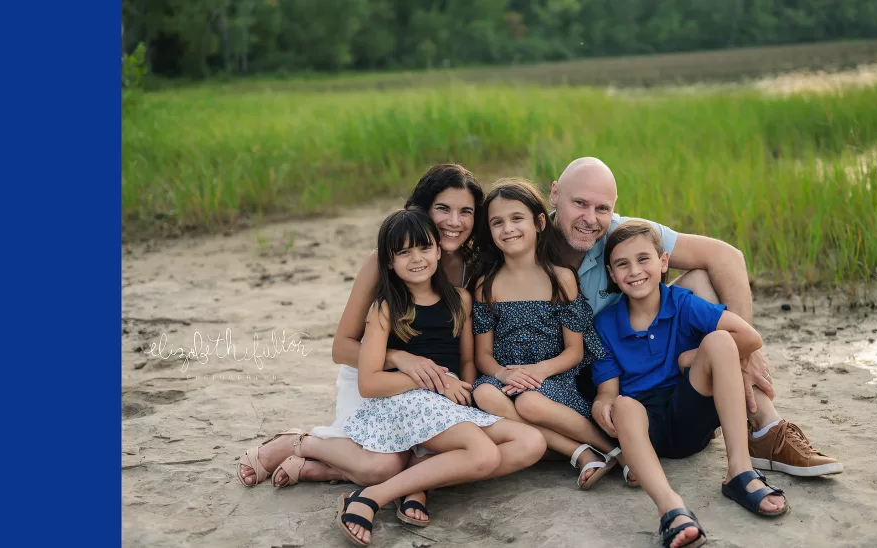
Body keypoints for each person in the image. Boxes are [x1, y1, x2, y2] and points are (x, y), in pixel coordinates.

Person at [238, 165, 543, 524]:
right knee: (382, 464)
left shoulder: (473, 268)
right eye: (443, 209)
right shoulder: (384, 264)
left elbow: (466, 349)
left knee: (406, 462)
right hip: (379, 375)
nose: (454, 222)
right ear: (423, 210)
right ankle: (304, 444)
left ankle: (381, 478)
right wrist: (401, 358)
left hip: (444, 390)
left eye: (466, 212)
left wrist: (462, 385)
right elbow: (343, 348)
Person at [551, 157, 843, 478]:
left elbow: (726, 256)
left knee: (700, 281)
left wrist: (741, 352)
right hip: (585, 374)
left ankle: (765, 428)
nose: (590, 219)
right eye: (579, 203)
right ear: (554, 195)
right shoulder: (525, 239)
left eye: (602, 208)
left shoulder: (622, 236)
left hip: (643, 357)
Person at [337, 208, 545, 546]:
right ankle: (372, 497)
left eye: (423, 248)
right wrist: (430, 380)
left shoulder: (460, 300)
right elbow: (369, 382)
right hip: (406, 402)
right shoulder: (385, 307)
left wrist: (464, 392)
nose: (416, 258)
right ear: (389, 262)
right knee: (484, 454)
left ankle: (420, 481)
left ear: (438, 250)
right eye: (403, 252)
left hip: (449, 403)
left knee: (531, 442)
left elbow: (466, 359)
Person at [593, 221, 790, 548]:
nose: (635, 271)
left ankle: (739, 472)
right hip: (645, 428)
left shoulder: (681, 302)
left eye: (644, 259)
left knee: (721, 342)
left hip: (689, 413)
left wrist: (688, 359)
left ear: (663, 262)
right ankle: (671, 508)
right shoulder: (605, 323)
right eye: (622, 264)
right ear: (612, 275)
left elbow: (750, 337)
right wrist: (602, 406)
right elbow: (607, 392)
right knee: (624, 405)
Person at [469, 179, 627, 490]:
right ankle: (582, 453)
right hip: (506, 379)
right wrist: (503, 374)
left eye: (517, 219)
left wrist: (537, 372)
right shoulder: (486, 285)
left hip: (553, 378)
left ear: (540, 222)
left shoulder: (560, 278)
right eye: (497, 222)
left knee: (529, 403)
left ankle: (613, 450)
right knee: (483, 393)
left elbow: (575, 352)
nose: (507, 229)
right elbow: (482, 355)